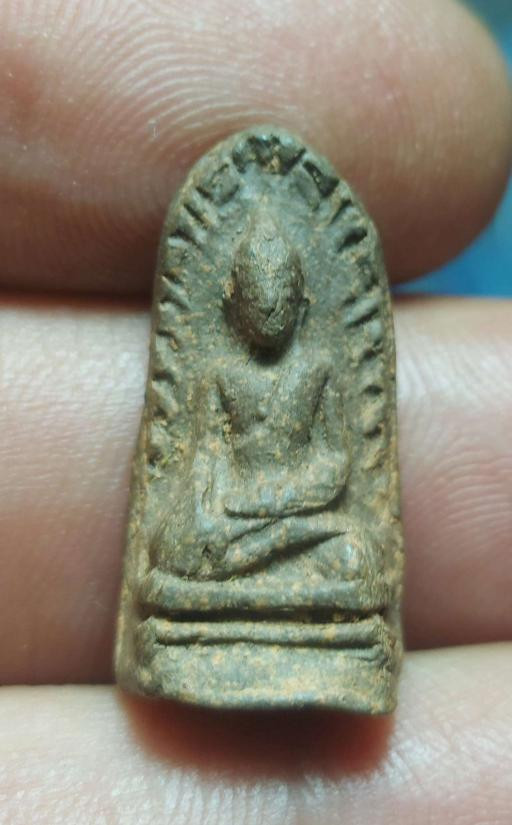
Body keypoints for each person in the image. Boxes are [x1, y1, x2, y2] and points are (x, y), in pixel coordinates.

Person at [0, 0, 511, 821]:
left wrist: (279, 509)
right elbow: (199, 474)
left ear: (301, 299)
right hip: (234, 535)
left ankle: (301, 634)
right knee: (171, 548)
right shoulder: (220, 375)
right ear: (232, 300)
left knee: (357, 556)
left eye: (281, 296)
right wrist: (229, 513)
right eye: (254, 297)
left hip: (301, 529)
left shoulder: (317, 368)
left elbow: (338, 468)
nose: (268, 311)